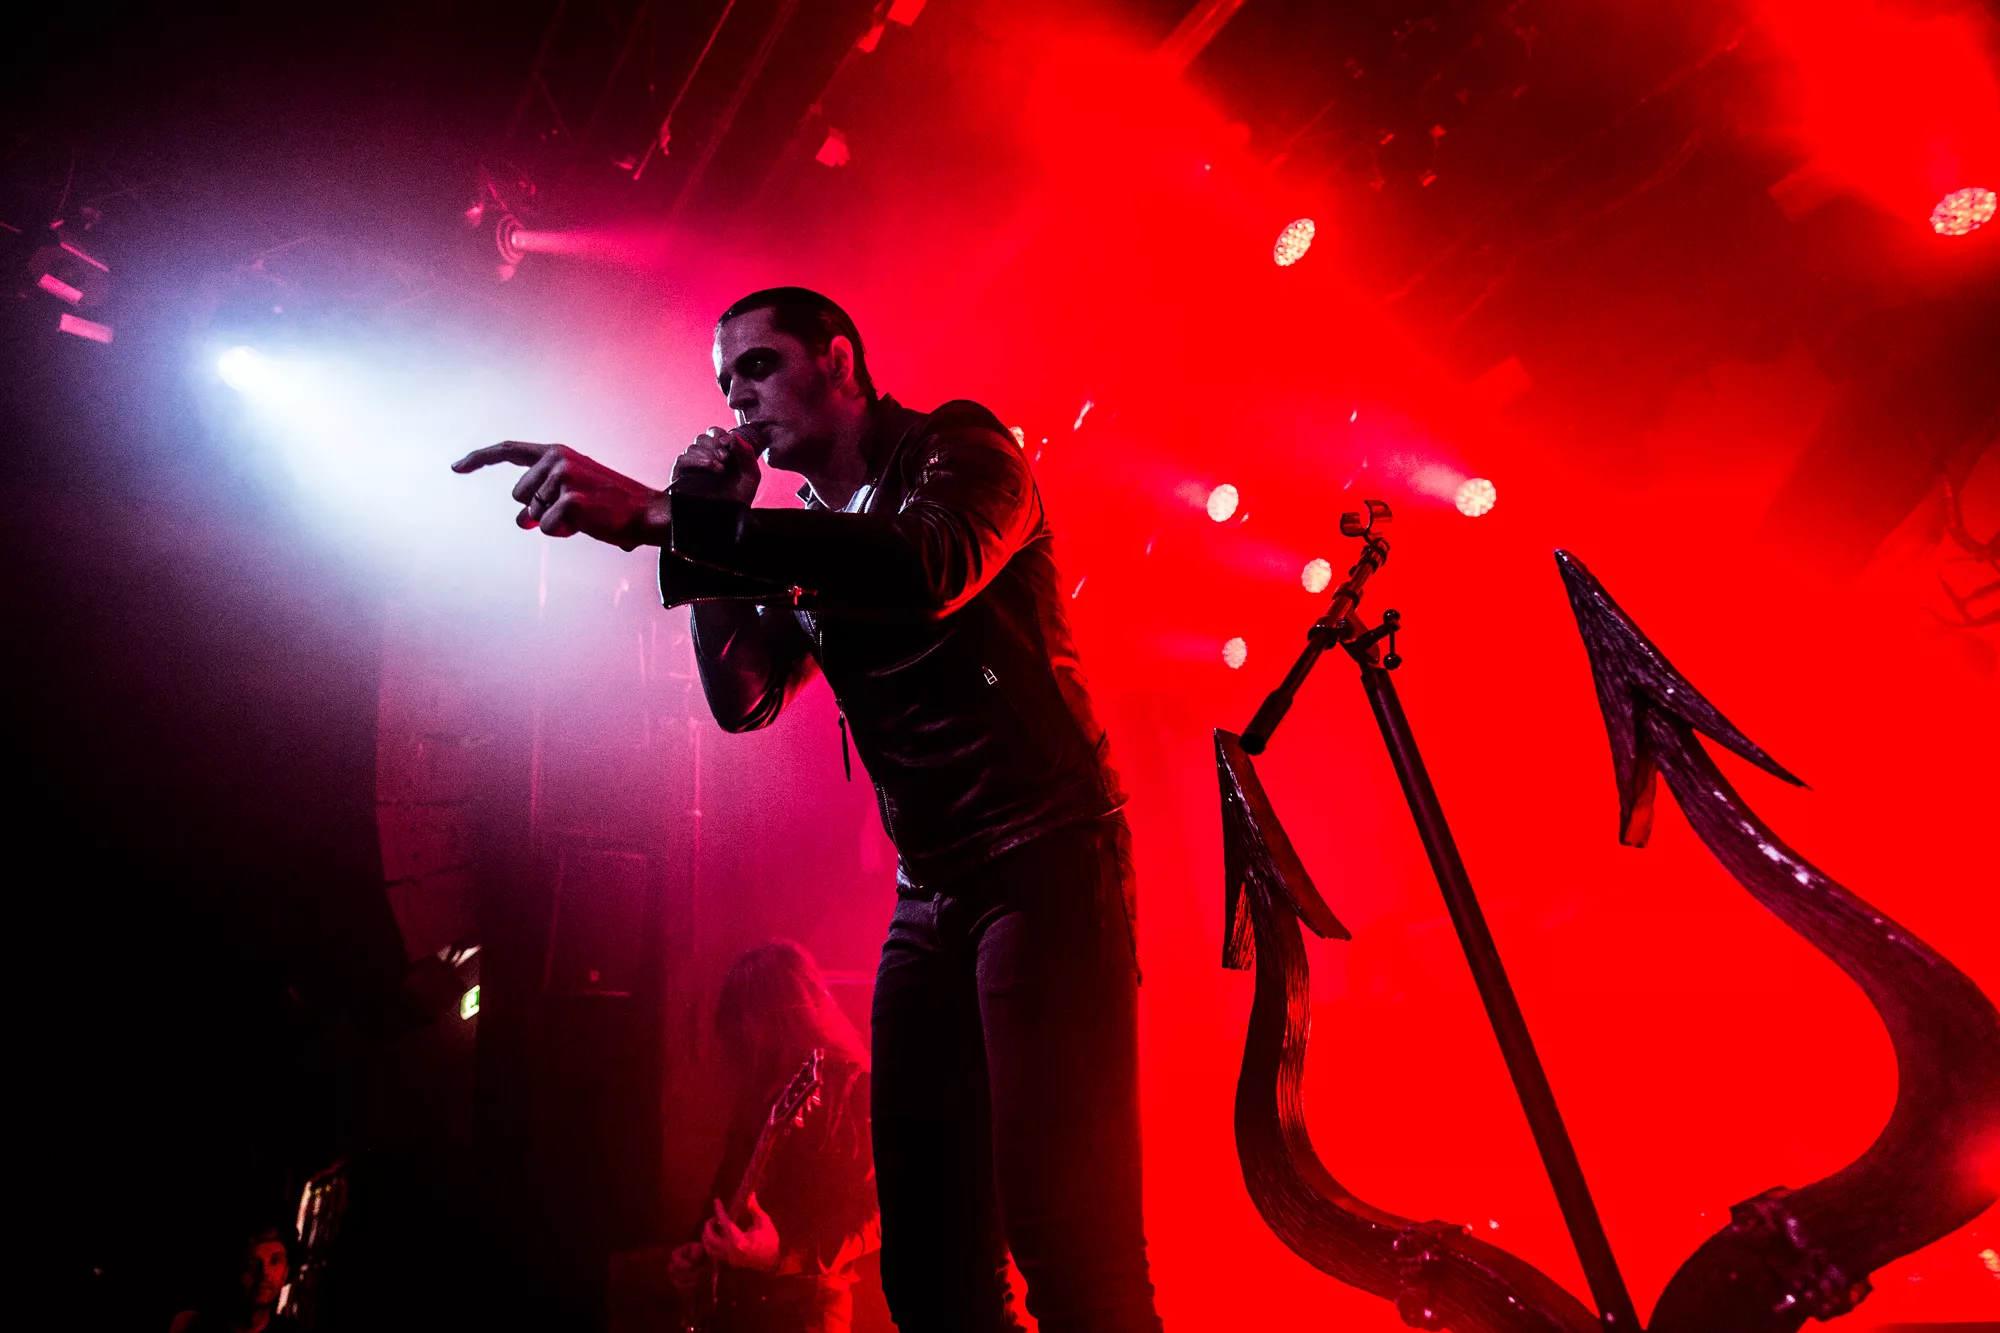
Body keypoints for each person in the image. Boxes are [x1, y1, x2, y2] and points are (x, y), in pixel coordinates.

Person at [454, 287, 1162, 1333]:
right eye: (723, 383)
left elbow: (928, 568)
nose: (736, 397)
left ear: (837, 360)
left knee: (1071, 1249)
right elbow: (743, 696)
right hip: (930, 895)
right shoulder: (812, 536)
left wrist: (667, 517)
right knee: (928, 1273)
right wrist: (699, 530)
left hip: (1045, 861)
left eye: (758, 365)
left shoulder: (962, 451)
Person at [666, 941, 877, 1333]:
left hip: (805, 1311)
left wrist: (782, 1253)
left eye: (749, 1017)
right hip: (735, 1308)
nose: (743, 1033)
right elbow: (728, 1188)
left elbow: (877, 1215)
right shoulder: (758, 1090)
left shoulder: (853, 1088)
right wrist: (702, 1244)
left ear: (781, 1013)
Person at [168, 1225, 303, 1333]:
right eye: (252, 1262)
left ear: (286, 1272)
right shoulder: (194, 1325)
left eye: (275, 1261)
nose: (264, 1273)